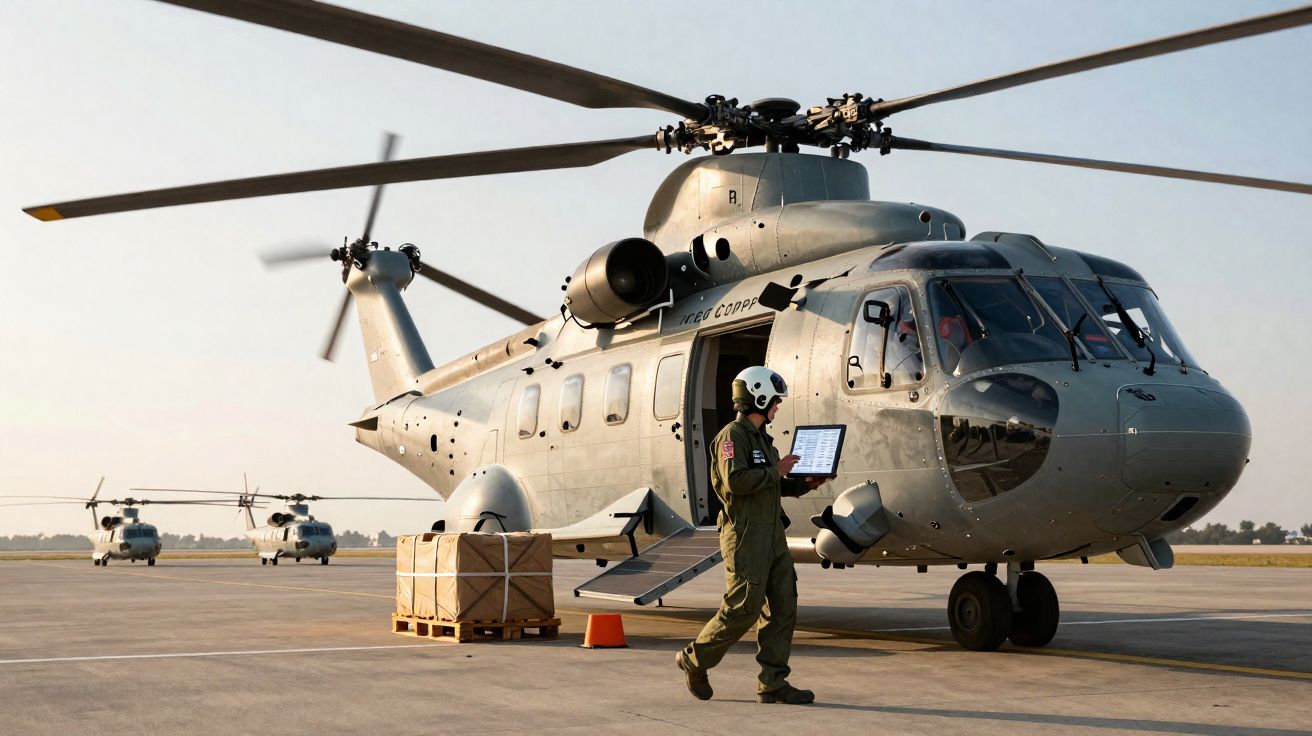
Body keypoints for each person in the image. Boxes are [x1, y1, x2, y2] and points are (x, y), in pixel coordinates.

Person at [675, 366, 831, 705]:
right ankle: (694, 659)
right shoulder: (733, 437)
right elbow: (737, 482)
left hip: (773, 534)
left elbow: (770, 486)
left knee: (783, 607)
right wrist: (776, 470)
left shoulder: (764, 440)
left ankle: (772, 683)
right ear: (759, 398)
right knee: (743, 607)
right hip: (745, 535)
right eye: (775, 401)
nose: (777, 407)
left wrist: (804, 484)